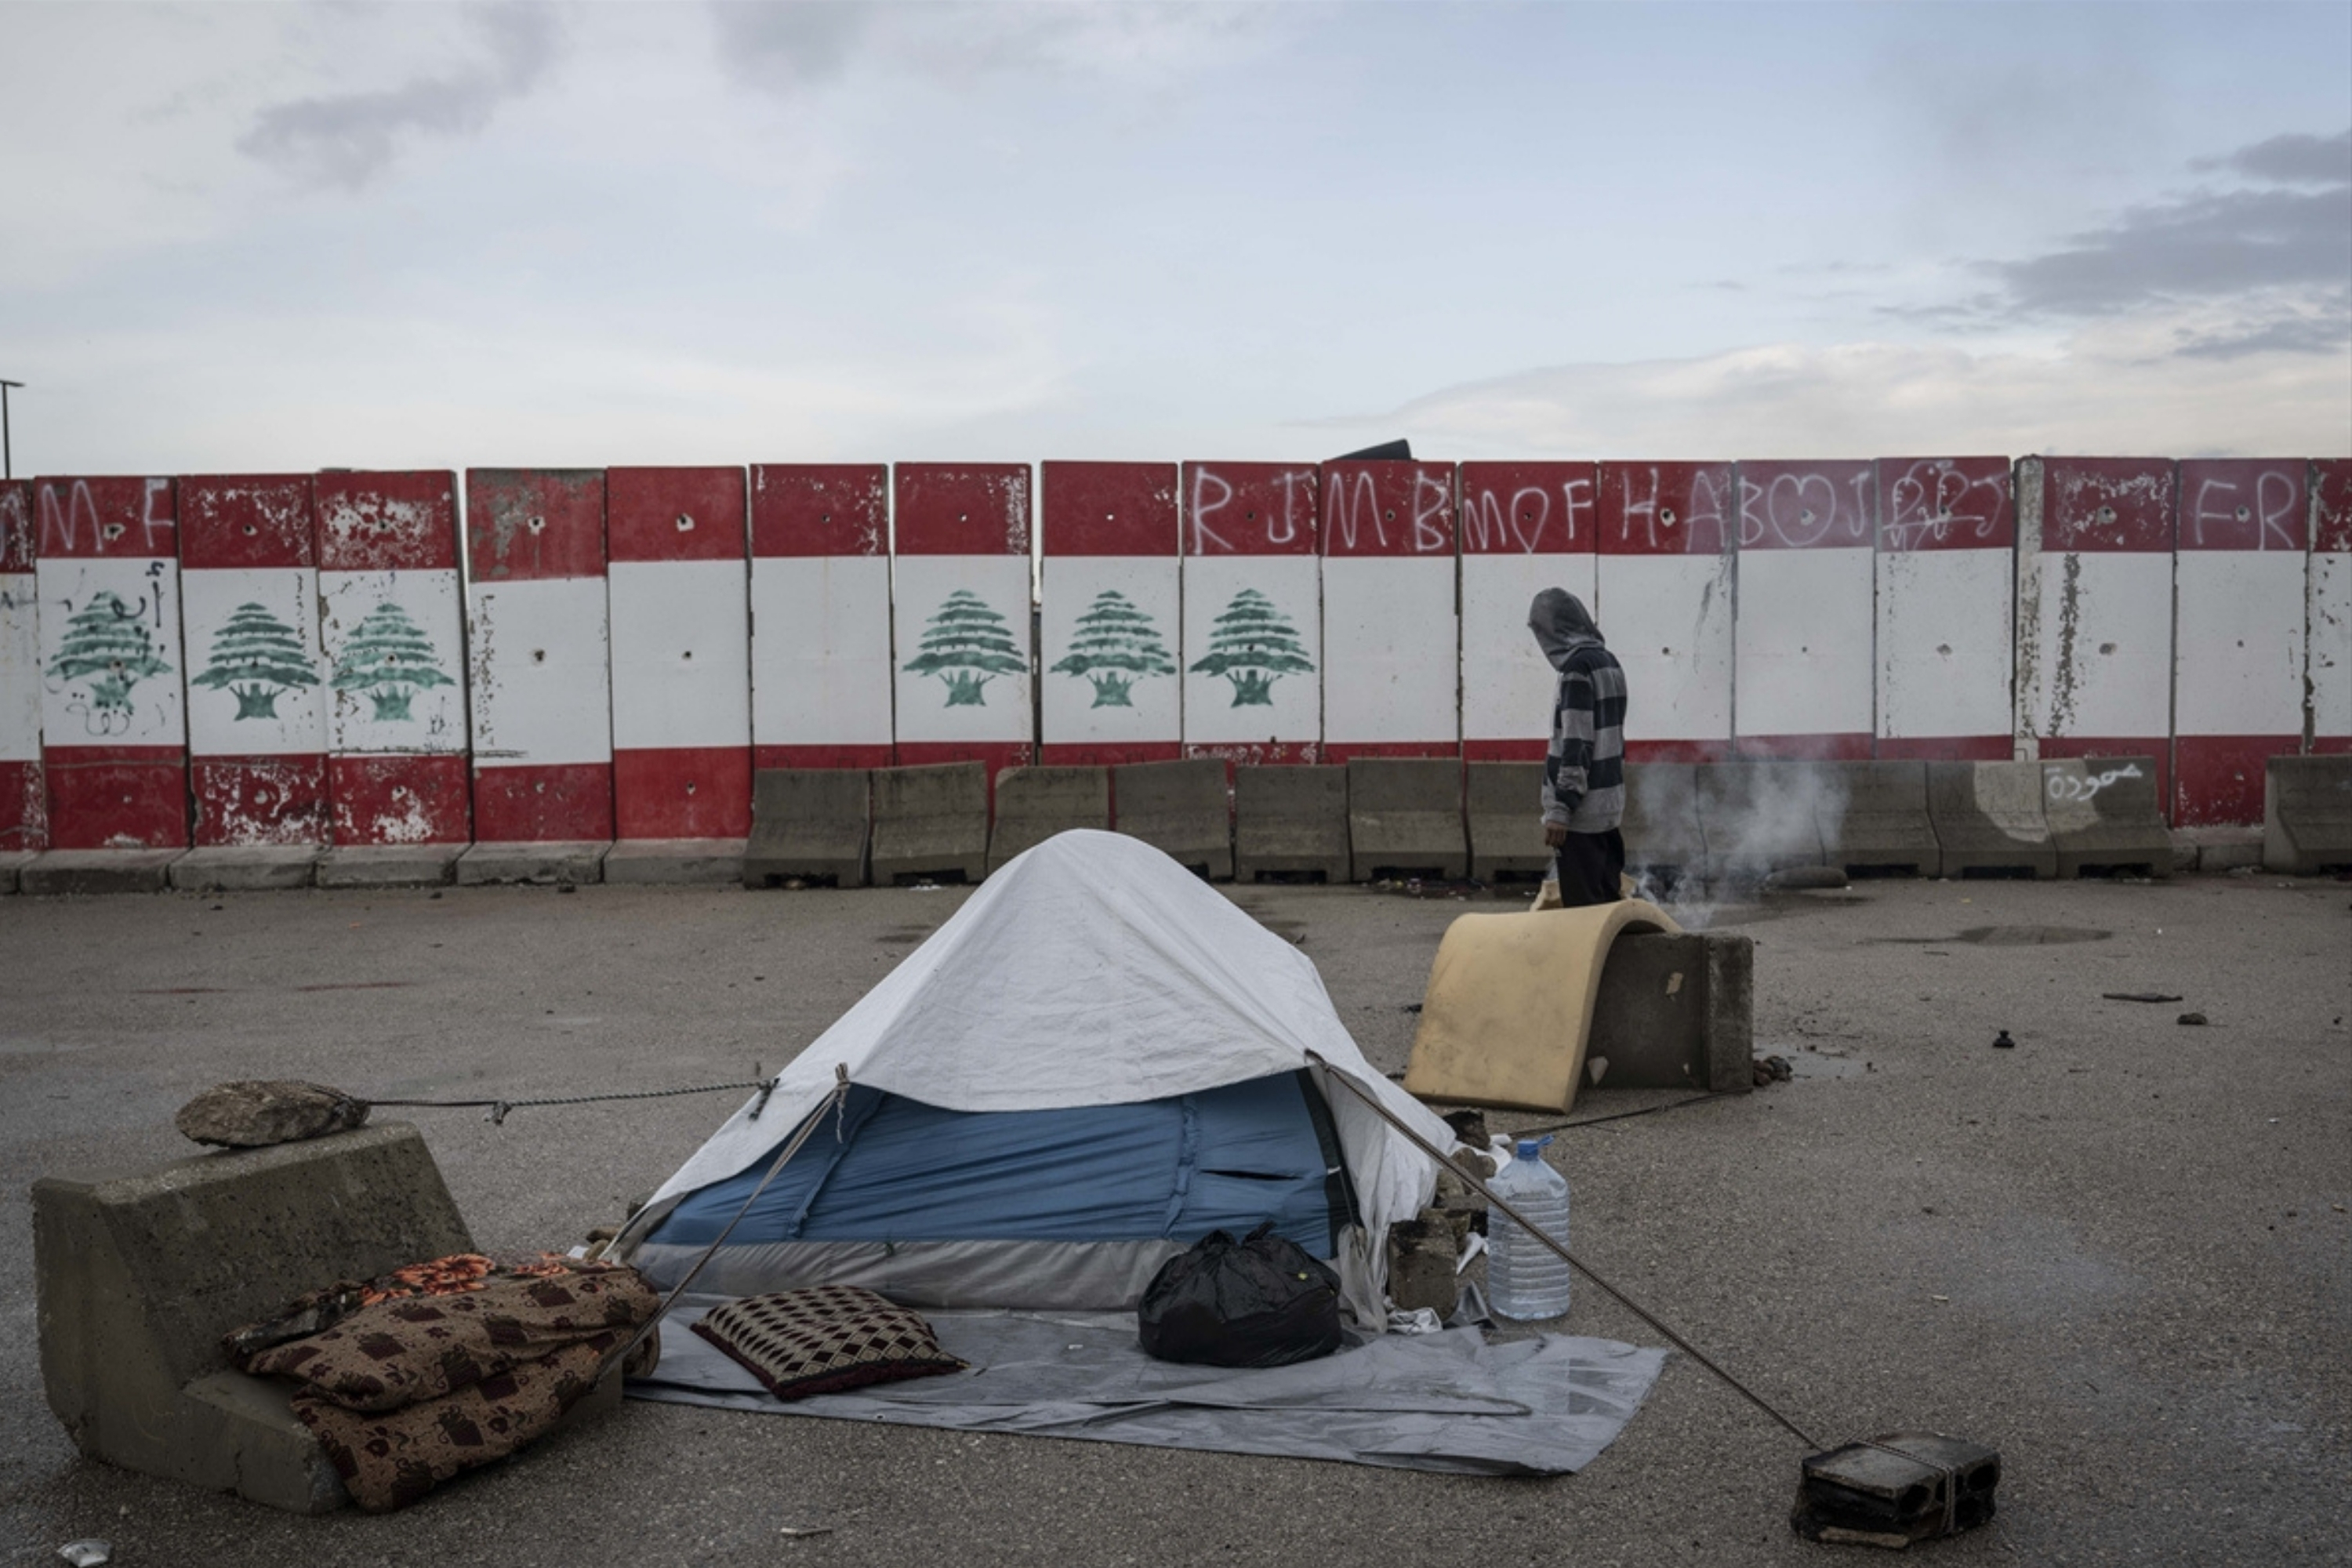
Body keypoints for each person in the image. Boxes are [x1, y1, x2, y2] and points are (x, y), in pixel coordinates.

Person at [1527, 588, 1626, 906]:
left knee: (1583, 917)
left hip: (1582, 816)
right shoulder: (1608, 662)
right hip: (1609, 810)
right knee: (1607, 909)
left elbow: (1577, 743)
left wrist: (1560, 809)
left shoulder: (1576, 671)